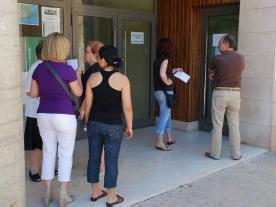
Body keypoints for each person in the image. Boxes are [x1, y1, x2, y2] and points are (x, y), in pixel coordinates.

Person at [30, 32, 83, 207]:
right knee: (65, 154)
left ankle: (46, 195)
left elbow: (35, 94)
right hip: (64, 115)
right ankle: (62, 195)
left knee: (48, 152)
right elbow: (78, 93)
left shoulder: (39, 68)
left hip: (44, 114)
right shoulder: (67, 69)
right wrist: (78, 77)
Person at [84, 45, 133, 206]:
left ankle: (95, 192)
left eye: (99, 58)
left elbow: (88, 105)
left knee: (94, 158)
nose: (98, 60)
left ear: (104, 60)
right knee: (111, 160)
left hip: (94, 123)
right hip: (113, 125)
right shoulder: (123, 79)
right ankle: (111, 197)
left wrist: (87, 123)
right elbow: (127, 107)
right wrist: (130, 126)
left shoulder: (92, 78)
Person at [205, 34, 245, 160]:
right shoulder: (241, 58)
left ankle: (215, 154)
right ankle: (236, 154)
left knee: (217, 125)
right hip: (236, 93)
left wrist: (215, 75)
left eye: (220, 42)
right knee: (234, 124)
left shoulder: (217, 58)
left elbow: (210, 75)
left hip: (220, 93)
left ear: (227, 44)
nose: (218, 45)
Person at [78, 40, 106, 176]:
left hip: (93, 109)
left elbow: (90, 93)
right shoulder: (98, 68)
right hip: (98, 109)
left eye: (87, 51)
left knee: (96, 140)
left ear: (95, 54)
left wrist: (82, 110)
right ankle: (101, 167)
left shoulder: (94, 70)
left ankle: (99, 168)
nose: (85, 53)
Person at [153, 38, 182, 151]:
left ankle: (169, 138)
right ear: (167, 48)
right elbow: (162, 74)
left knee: (167, 115)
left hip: (158, 91)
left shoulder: (157, 60)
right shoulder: (165, 59)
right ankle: (159, 141)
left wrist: (175, 70)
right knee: (164, 116)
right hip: (164, 91)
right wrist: (167, 81)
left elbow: (164, 72)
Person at [24, 41, 43, 182]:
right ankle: (34, 170)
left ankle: (45, 167)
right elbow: (29, 92)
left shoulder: (44, 66)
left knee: (44, 143)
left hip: (43, 112)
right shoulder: (36, 67)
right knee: (36, 144)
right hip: (34, 113)